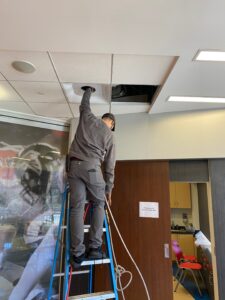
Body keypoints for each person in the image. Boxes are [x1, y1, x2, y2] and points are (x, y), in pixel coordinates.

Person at [68, 86, 116, 266]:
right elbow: (110, 165)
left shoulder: (88, 118)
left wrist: (88, 90)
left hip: (73, 166)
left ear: (103, 118)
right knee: (99, 203)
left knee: (77, 208)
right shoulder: (109, 135)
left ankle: (77, 254)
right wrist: (109, 189)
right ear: (111, 123)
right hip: (91, 168)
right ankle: (94, 248)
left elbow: (84, 105)